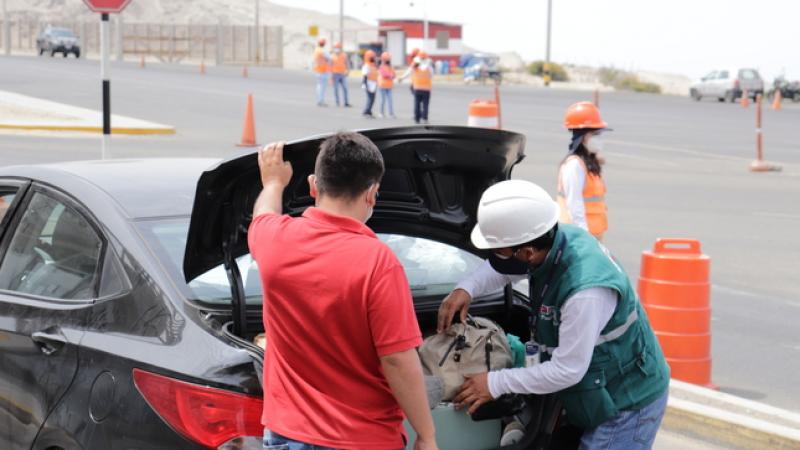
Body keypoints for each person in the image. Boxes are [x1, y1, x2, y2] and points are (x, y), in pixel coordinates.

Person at [437, 180, 670, 450]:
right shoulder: (550, 244)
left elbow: (567, 370)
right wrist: (466, 289)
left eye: (498, 249)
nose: (494, 256)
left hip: (627, 402)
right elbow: (503, 268)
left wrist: (494, 383)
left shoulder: (585, 291)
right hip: (594, 389)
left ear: (527, 252)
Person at [249, 134, 437, 450]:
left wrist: (273, 183)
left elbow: (263, 214)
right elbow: (397, 361)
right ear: (372, 194)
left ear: (313, 186)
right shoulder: (379, 263)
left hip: (287, 434)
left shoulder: (274, 240)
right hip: (362, 439)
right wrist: (427, 434)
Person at [558, 102, 609, 240]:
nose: (599, 138)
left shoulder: (588, 163)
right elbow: (575, 206)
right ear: (583, 136)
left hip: (592, 235)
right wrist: (584, 238)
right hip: (578, 237)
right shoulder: (574, 165)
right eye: (596, 134)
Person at [399, 52, 433, 124]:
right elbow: (431, 75)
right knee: (425, 104)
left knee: (417, 103)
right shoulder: (429, 66)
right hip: (426, 88)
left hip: (417, 88)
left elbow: (408, 72)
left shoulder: (415, 65)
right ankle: (424, 118)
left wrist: (401, 78)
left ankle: (417, 118)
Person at [330, 42, 352, 107]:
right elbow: (330, 66)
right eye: (336, 48)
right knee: (336, 89)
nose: (337, 49)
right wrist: (331, 76)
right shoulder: (332, 56)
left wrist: (348, 71)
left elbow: (347, 64)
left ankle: (346, 102)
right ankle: (337, 102)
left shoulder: (344, 55)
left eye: (338, 48)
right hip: (335, 74)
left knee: (345, 88)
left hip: (342, 74)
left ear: (340, 48)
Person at [312, 38, 331, 107]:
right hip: (323, 70)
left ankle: (319, 99)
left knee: (319, 86)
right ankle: (321, 100)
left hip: (317, 70)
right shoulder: (322, 51)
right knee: (322, 87)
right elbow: (329, 58)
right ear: (324, 44)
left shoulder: (316, 50)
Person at [378, 51, 396, 118]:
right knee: (382, 100)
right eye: (387, 59)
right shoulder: (381, 66)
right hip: (382, 86)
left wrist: (392, 75)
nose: (388, 60)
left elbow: (394, 74)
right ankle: (381, 113)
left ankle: (391, 113)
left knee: (390, 100)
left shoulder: (391, 67)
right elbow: (384, 74)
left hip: (389, 86)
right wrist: (390, 75)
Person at [361, 50, 379, 118]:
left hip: (373, 83)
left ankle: (368, 110)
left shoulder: (373, 65)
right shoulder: (366, 66)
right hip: (368, 84)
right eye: (372, 57)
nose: (373, 58)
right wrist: (365, 85)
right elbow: (364, 76)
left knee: (372, 98)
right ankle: (366, 111)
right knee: (370, 98)